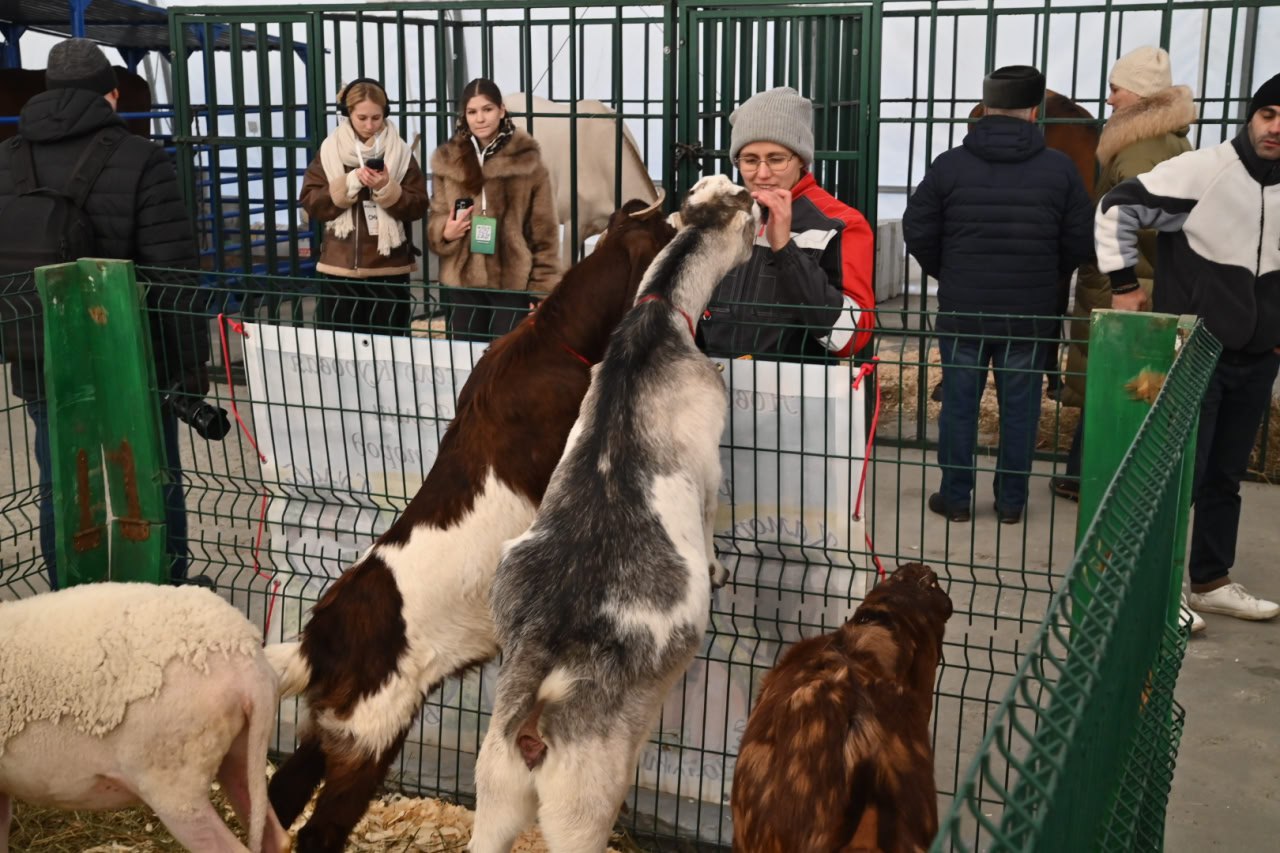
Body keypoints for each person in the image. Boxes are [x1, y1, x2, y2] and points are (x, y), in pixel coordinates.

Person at [0, 38, 209, 589]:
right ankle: (163, 595)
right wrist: (187, 371)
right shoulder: (142, 158)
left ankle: (71, 600)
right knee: (148, 474)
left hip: (40, 351)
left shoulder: (8, 158)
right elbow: (173, 276)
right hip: (132, 355)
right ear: (112, 95)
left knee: (64, 483)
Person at [1096, 73, 1280, 623]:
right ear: (1252, 117)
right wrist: (1125, 286)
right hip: (1196, 351)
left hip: (1256, 359)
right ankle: (1156, 586)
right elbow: (1114, 209)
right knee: (1179, 475)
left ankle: (1210, 580)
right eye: (1269, 114)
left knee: (1226, 476)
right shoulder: (1202, 171)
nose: (1276, 128)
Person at [903, 65, 1093, 525]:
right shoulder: (1060, 169)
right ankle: (1011, 503)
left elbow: (918, 228)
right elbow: (1081, 241)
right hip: (1028, 316)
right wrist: (1047, 278)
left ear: (985, 108)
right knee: (1021, 410)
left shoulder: (949, 164)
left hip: (964, 309)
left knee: (960, 406)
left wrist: (948, 273)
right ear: (1034, 112)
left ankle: (955, 497)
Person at [1053, 46, 1196, 501]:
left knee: (1114, 379)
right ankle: (1083, 473)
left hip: (1128, 287)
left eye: (1116, 89)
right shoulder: (1160, 140)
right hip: (1136, 280)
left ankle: (1093, 477)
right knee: (1122, 379)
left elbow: (1142, 222)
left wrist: (1123, 278)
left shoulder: (1140, 148)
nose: (1109, 100)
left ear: (1140, 93)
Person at [699, 86, 875, 361]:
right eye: (749, 160)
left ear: (801, 160)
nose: (762, 173)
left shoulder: (840, 223)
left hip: (796, 390)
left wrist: (785, 248)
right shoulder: (722, 215)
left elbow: (849, 339)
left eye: (777, 159)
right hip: (713, 385)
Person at [426, 78, 561, 342]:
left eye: (487, 109)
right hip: (463, 279)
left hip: (510, 279)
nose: (480, 119)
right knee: (464, 358)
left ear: (501, 110)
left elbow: (544, 231)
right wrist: (445, 230)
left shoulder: (528, 162)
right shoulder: (447, 160)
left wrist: (541, 290)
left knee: (506, 359)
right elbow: (437, 214)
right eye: (472, 112)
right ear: (464, 116)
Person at [300, 77, 429, 335]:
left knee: (389, 348)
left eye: (376, 118)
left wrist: (386, 188)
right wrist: (348, 183)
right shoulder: (330, 150)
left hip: (390, 269)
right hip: (340, 267)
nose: (370, 125)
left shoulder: (402, 152)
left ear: (385, 114)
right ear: (348, 115)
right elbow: (310, 202)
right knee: (342, 351)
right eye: (362, 118)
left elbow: (418, 205)